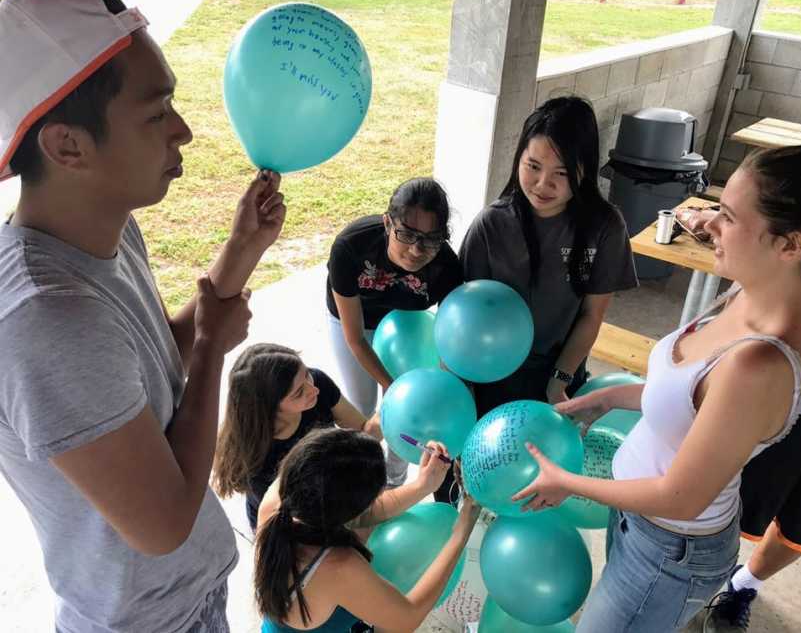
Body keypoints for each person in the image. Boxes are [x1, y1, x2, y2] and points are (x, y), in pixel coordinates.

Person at [0, 0, 286, 631]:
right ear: (67, 145)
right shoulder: (46, 320)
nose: (183, 129)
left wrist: (240, 252)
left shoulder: (104, 229)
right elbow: (162, 523)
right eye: (156, 113)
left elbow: (150, 362)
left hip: (183, 600)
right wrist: (214, 349)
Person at [512, 143, 801, 632]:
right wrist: (607, 397)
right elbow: (692, 398)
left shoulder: (759, 364)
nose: (709, 224)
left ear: (792, 244)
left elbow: (681, 497)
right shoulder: (753, 285)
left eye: (730, 218)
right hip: (641, 522)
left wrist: (564, 482)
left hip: (668, 552)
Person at [690, 133, 801, 633]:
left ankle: (741, 586)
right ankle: (697, 581)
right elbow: (754, 199)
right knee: (718, 504)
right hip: (777, 386)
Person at [459, 96, 637, 416]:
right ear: (519, 159)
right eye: (533, 166)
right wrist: (464, 393)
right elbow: (464, 317)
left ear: (584, 171)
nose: (543, 184)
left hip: (560, 371)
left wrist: (557, 382)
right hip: (491, 372)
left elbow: (591, 315)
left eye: (562, 173)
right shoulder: (492, 224)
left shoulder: (605, 227)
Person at [254, 427, 481, 632]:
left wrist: (423, 485)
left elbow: (362, 514)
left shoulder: (282, 495)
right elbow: (407, 618)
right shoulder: (337, 566)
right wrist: (460, 534)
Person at [212, 343, 449, 533]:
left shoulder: (318, 384)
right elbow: (352, 517)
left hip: (328, 496)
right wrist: (423, 486)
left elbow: (365, 432)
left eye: (307, 376)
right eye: (298, 392)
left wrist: (392, 407)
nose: (312, 388)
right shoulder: (259, 462)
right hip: (292, 527)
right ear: (269, 407)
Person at [326, 177, 463, 488]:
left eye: (431, 239)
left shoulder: (447, 266)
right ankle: (360, 483)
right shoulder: (351, 245)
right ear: (388, 223)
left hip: (406, 332)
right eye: (407, 234)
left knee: (408, 413)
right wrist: (390, 386)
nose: (417, 249)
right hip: (355, 323)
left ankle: (394, 483)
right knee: (362, 411)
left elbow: (448, 340)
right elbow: (355, 338)